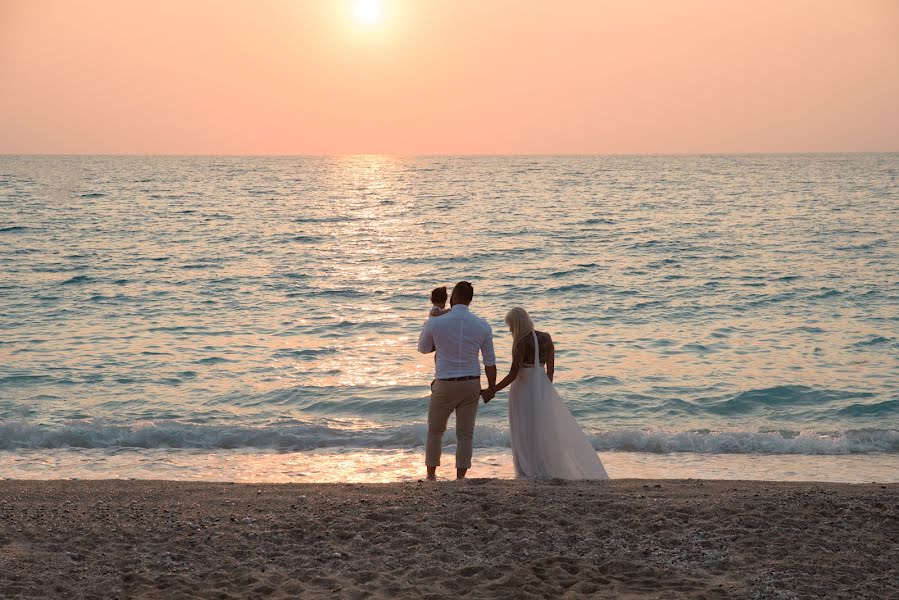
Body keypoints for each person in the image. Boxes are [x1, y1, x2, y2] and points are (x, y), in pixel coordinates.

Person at [489, 307, 608, 480]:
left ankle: (527, 468)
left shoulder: (521, 342)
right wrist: (543, 389)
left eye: (510, 326)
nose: (509, 330)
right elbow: (550, 370)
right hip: (542, 385)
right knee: (542, 427)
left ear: (517, 324)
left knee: (524, 428)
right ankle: (543, 464)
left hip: (522, 389)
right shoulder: (546, 338)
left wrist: (492, 390)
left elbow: (513, 374)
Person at [417, 281, 496, 480]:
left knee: (435, 430)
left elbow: (423, 348)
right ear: (470, 300)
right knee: (465, 433)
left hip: (445, 382)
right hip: (471, 382)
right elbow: (489, 362)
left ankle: (431, 475)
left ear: (453, 298)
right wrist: (491, 388)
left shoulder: (435, 321)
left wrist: (440, 344)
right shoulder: (482, 324)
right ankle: (460, 477)